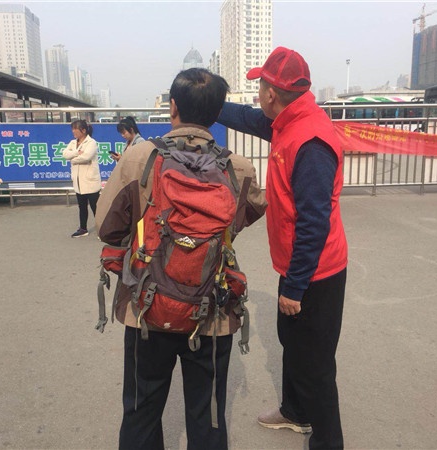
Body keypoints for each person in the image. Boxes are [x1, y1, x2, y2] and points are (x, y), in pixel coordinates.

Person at [95, 68, 267, 450]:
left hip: (146, 307)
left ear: (172, 107)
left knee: (141, 412)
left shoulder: (140, 157)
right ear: (217, 112)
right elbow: (251, 212)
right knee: (208, 418)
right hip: (212, 310)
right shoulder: (238, 168)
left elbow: (106, 227)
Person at [216, 47, 348, 449]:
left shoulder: (311, 142)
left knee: (316, 364)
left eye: (260, 86)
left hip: (316, 272)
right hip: (295, 264)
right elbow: (245, 117)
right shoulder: (287, 120)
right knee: (292, 341)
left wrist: (295, 286)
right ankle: (295, 410)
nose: (257, 93)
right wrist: (206, 103)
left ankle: (328, 441)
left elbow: (314, 223)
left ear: (272, 93)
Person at [62, 119, 101, 238]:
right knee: (82, 207)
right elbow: (65, 154)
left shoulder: (91, 142)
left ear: (83, 130)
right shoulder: (73, 143)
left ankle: (102, 230)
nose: (73, 131)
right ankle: (83, 228)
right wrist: (77, 152)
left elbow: (86, 157)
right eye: (72, 129)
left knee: (96, 207)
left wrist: (73, 159)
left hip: (90, 181)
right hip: (78, 182)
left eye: (75, 129)